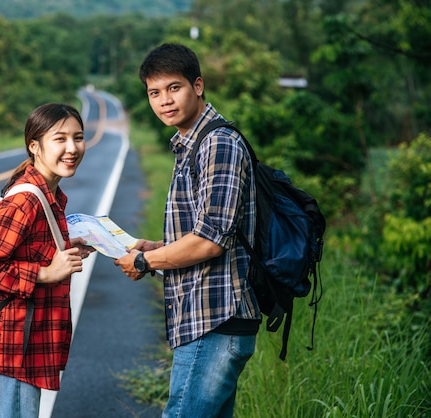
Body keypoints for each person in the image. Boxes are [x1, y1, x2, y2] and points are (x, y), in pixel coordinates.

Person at [114, 43, 262, 417]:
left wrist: (147, 261)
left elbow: (210, 241)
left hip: (215, 320)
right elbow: (207, 232)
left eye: (174, 87)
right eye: (154, 92)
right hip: (202, 319)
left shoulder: (218, 144)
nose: (164, 100)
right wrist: (156, 246)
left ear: (197, 85)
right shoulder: (190, 145)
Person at [0, 103, 94, 418]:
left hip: (25, 341)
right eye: (60, 139)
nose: (72, 148)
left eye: (78, 138)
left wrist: (60, 247)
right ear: (34, 146)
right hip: (14, 346)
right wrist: (45, 274)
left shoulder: (48, 194)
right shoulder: (26, 199)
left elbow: (21, 248)